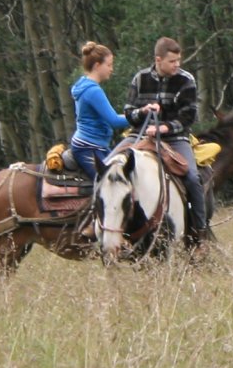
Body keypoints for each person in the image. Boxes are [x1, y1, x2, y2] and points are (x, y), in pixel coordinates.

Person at [125, 37, 212, 242]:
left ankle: (200, 232)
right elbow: (129, 113)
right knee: (110, 165)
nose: (177, 65)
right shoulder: (140, 78)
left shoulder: (186, 80)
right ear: (158, 59)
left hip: (175, 139)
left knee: (192, 177)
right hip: (139, 135)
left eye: (178, 60)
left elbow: (189, 116)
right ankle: (99, 226)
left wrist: (164, 127)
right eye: (172, 61)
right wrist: (143, 111)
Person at [68, 41, 125, 183]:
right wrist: (140, 115)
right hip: (88, 148)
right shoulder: (93, 91)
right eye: (109, 65)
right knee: (108, 185)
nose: (112, 69)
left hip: (96, 145)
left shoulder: (84, 85)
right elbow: (114, 121)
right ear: (97, 65)